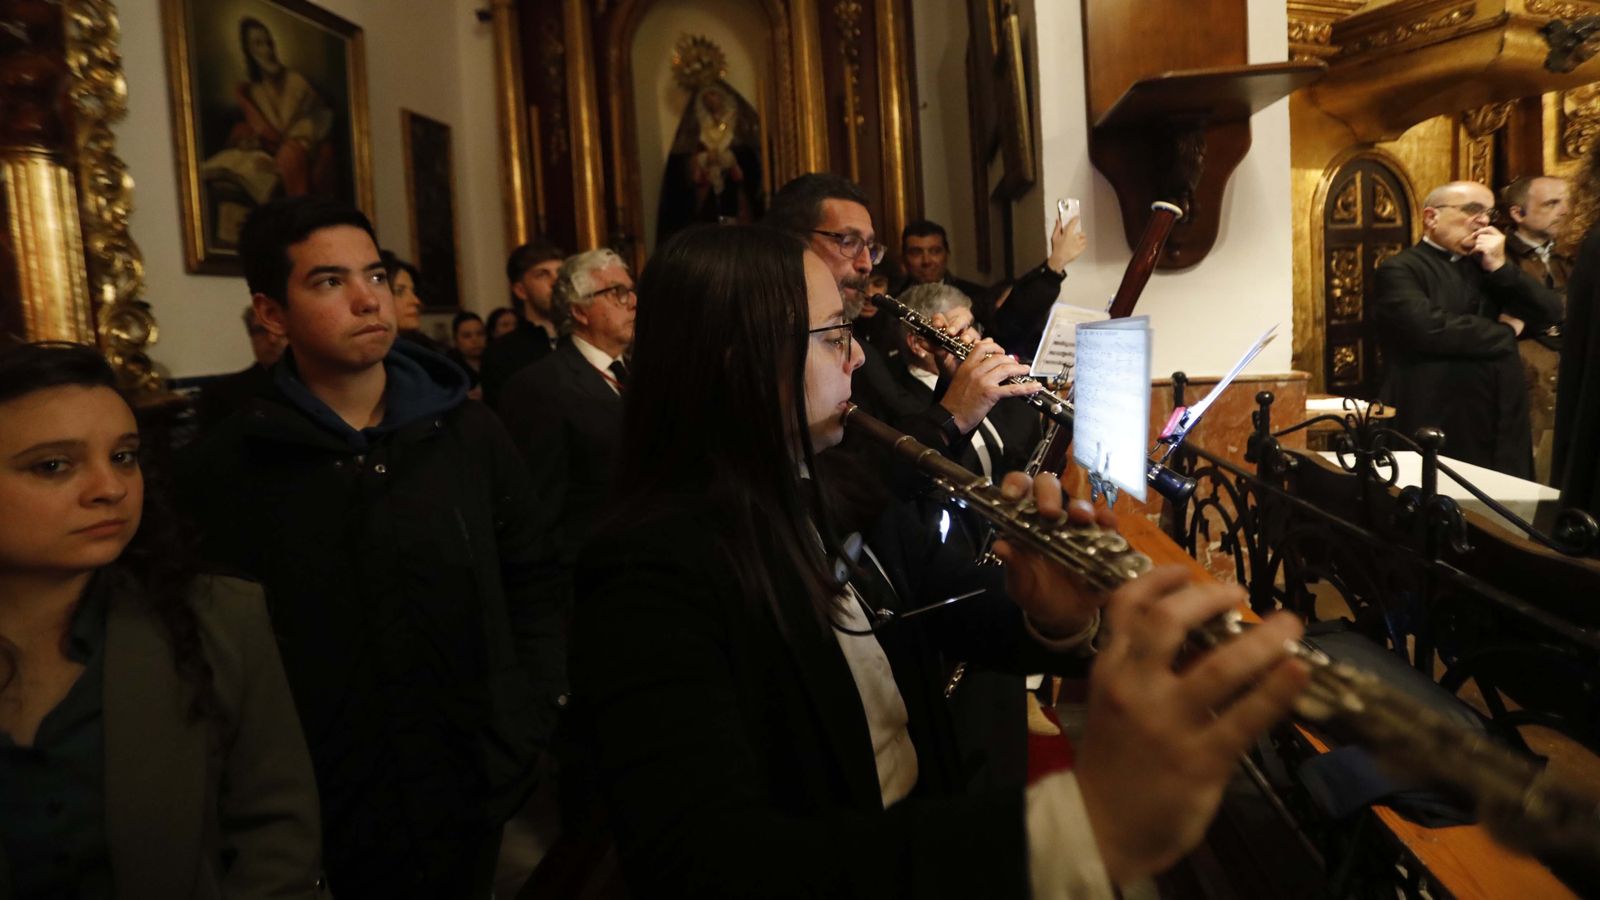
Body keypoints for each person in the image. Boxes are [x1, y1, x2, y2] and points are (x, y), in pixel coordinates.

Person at [569, 224, 1310, 898]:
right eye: (834, 335)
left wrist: (1058, 616)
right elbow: (710, 869)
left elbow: (953, 603)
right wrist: (1079, 824)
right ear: (740, 362)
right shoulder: (646, 574)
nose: (859, 353)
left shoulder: (827, 482)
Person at [178, 197, 567, 898]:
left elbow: (533, 576)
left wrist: (525, 719)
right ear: (271, 314)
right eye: (329, 282)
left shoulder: (469, 435)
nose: (368, 300)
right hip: (330, 803)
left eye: (377, 276)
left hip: (473, 780)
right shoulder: (229, 465)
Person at [0, 341, 324, 898]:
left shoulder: (217, 619)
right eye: (54, 465)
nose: (109, 489)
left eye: (124, 456)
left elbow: (277, 836)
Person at [1373, 181, 1562, 478]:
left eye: (1488, 212)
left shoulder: (1488, 267)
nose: (1484, 220)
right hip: (1442, 412)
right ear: (1431, 217)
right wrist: (1505, 333)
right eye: (1472, 210)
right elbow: (1429, 328)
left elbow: (1551, 312)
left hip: (1501, 413)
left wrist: (1501, 267)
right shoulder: (1401, 269)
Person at [498, 250, 634, 567]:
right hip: (592, 572)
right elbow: (539, 511)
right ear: (580, 311)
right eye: (617, 292)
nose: (632, 301)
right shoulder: (539, 386)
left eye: (630, 289)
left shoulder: (641, 371)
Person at [202, 16, 335, 212]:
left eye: (269, 43)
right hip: (267, 153)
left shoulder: (296, 82)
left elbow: (320, 119)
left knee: (289, 156)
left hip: (297, 148)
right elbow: (255, 130)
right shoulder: (253, 92)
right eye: (258, 44)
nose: (267, 50)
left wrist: (298, 139)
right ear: (249, 51)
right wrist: (251, 140)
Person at [1501, 175, 1574, 484]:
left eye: (1567, 202)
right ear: (1518, 213)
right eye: (1551, 204)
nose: (1564, 211)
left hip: (1570, 378)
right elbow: (1500, 315)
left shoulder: (1575, 250)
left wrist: (1536, 319)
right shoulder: (1497, 254)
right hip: (1524, 381)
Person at [481, 241, 565, 408]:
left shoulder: (585, 337)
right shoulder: (501, 354)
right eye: (543, 275)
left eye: (561, 273)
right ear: (521, 290)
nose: (556, 282)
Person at [192, 304, 286, 432]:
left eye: (278, 328)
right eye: (260, 331)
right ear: (251, 337)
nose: (272, 339)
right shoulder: (220, 395)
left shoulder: (317, 387)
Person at [450, 311, 487, 376]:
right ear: (455, 340)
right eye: (467, 336)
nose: (475, 340)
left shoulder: (496, 362)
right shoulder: (450, 368)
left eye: (480, 334)